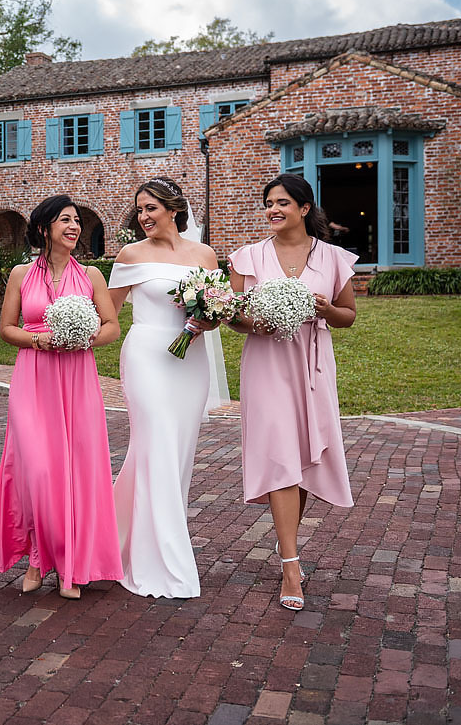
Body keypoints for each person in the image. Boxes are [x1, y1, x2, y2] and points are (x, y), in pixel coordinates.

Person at [227, 173, 358, 611]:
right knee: (281, 455)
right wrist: (256, 321)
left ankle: (288, 545)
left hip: (314, 364)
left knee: (302, 457)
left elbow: (348, 317)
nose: (273, 209)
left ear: (304, 208)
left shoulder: (334, 258)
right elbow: (234, 314)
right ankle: (290, 565)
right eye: (268, 203)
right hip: (266, 364)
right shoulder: (248, 257)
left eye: (282, 202)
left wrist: (326, 309)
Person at [0, 195, 123, 599]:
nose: (74, 227)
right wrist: (39, 340)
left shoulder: (93, 276)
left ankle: (71, 565)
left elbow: (113, 326)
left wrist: (85, 336)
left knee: (77, 470)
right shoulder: (20, 274)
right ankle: (35, 556)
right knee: (37, 470)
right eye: (65, 220)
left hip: (78, 378)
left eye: (77, 221)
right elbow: (7, 329)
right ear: (44, 228)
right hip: (34, 376)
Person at [107, 178, 231, 599]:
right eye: (139, 210)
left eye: (151, 209)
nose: (143, 217)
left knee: (174, 454)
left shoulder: (204, 255)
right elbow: (108, 311)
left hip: (189, 360)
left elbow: (218, 312)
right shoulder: (131, 255)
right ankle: (164, 561)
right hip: (146, 356)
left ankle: (114, 539)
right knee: (157, 440)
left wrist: (207, 319)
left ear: (174, 210)